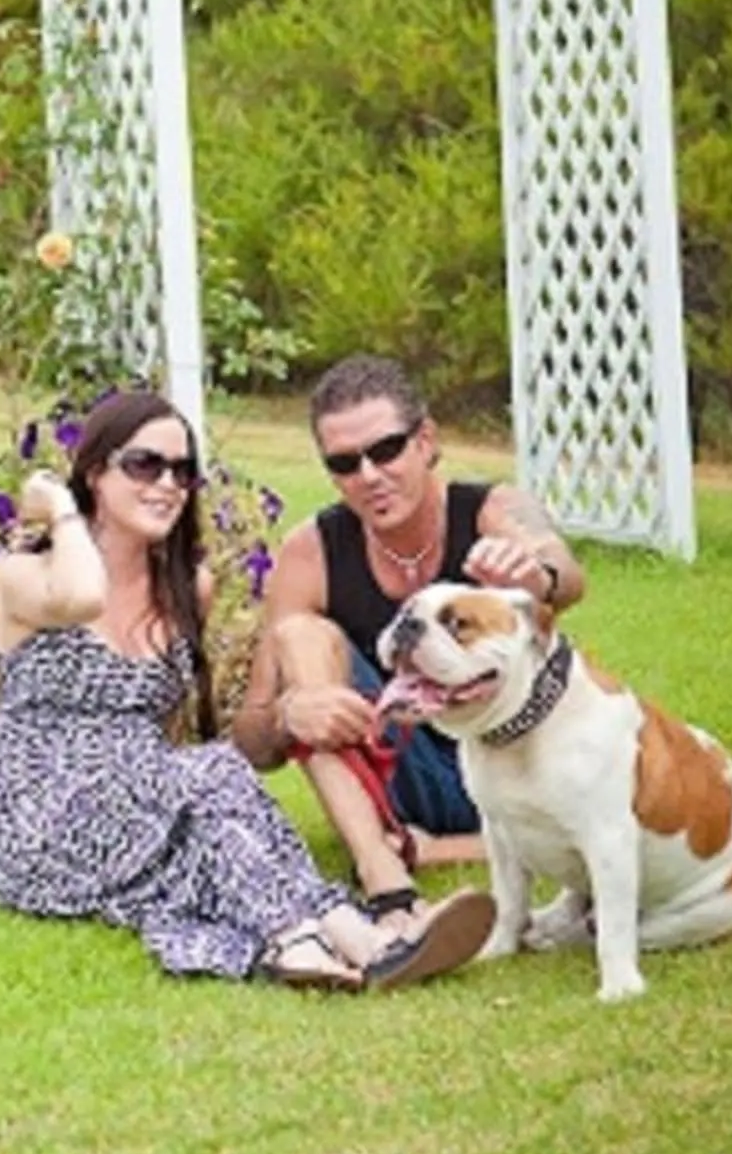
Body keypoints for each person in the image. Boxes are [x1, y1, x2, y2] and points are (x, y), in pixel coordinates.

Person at [0, 384, 495, 993]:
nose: (167, 483)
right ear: (94, 474)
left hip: (130, 803)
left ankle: (315, 944)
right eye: (145, 464)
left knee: (215, 825)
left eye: (182, 470)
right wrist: (61, 508)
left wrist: (181, 808)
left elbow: (156, 736)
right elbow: (85, 596)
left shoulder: (189, 588)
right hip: (36, 818)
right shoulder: (24, 574)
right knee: (212, 776)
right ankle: (358, 927)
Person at [236, 352, 586, 921]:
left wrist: (535, 576)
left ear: (425, 441)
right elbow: (251, 741)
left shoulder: (492, 512)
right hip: (406, 771)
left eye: (387, 450)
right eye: (346, 463)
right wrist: (289, 715)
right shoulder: (312, 551)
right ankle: (386, 882)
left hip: (515, 771)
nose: (369, 476)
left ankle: (434, 851)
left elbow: (567, 576)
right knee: (301, 637)